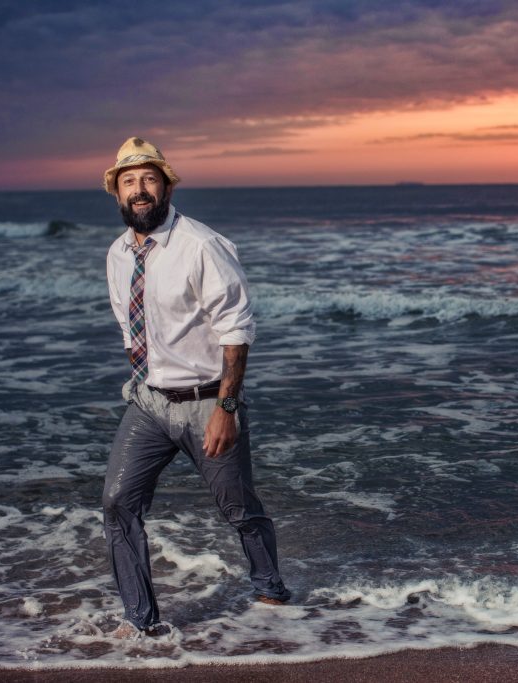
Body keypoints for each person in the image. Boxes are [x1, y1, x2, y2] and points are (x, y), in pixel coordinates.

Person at [101, 137, 290, 638]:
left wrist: (226, 407)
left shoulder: (201, 246)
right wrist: (142, 382)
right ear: (116, 193)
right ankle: (140, 620)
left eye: (148, 179)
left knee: (237, 508)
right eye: (128, 181)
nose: (139, 190)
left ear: (165, 186)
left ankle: (271, 588)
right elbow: (130, 325)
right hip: (148, 402)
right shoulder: (118, 254)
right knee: (118, 504)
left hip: (207, 400)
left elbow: (236, 330)